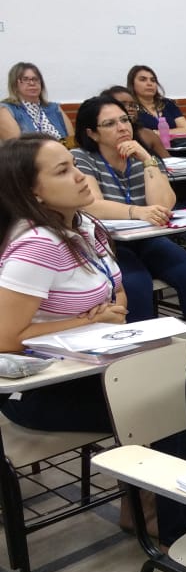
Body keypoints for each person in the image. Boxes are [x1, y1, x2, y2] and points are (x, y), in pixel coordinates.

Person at [0, 135, 126, 432]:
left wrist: (112, 313)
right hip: (41, 387)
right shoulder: (39, 244)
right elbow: (6, 339)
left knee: (176, 388)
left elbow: (116, 289)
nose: (80, 176)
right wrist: (87, 322)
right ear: (33, 193)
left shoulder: (85, 224)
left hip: (91, 366)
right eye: (62, 171)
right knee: (164, 406)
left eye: (73, 165)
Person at [71, 96, 186, 321]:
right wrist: (137, 211)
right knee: (136, 283)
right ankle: (146, 350)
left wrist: (146, 159)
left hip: (146, 238)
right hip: (106, 243)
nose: (122, 127)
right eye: (110, 123)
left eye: (124, 120)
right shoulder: (82, 158)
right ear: (92, 133)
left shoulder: (143, 157)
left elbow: (163, 203)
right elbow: (90, 205)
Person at [0, 63, 74, 142]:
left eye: (35, 79)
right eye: (25, 79)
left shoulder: (54, 108)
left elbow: (71, 140)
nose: (32, 83)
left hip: (64, 152)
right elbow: (16, 148)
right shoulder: (6, 110)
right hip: (29, 154)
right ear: (14, 84)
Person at [127, 65, 186, 136]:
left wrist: (157, 133)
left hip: (174, 146)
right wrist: (173, 132)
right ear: (132, 84)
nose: (149, 83)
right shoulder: (130, 108)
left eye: (153, 80)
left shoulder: (167, 103)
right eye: (143, 79)